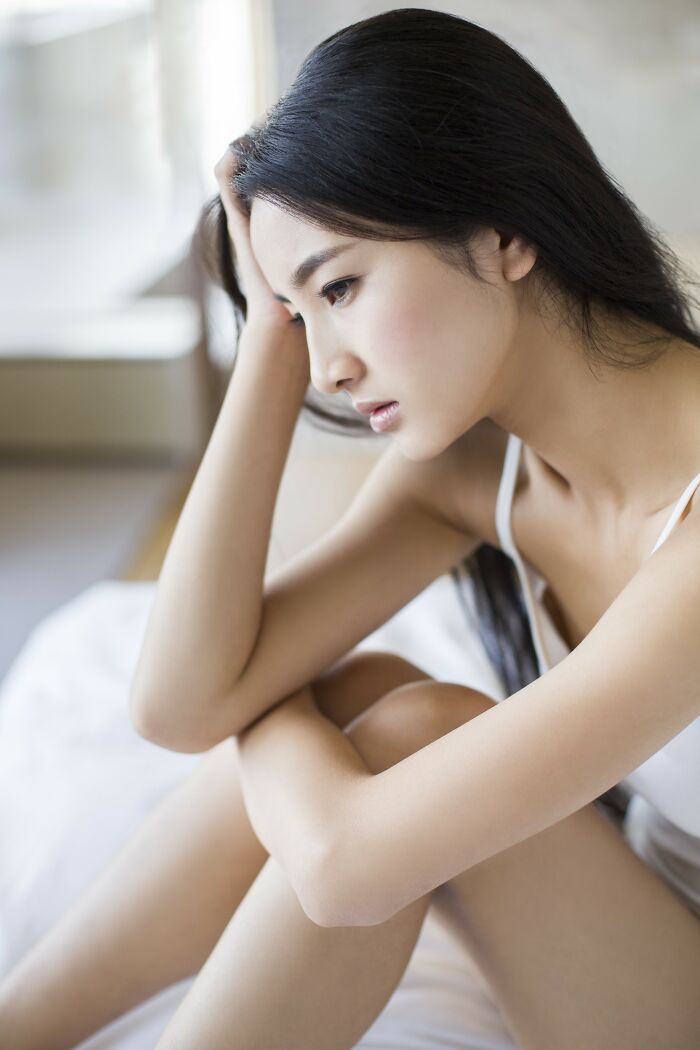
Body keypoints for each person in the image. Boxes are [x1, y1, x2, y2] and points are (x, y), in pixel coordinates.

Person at [2, 8, 699, 1049]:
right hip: (644, 902)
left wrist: (270, 714)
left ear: (505, 233)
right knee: (363, 697)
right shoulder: (473, 470)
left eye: (341, 288)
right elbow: (180, 700)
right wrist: (267, 341)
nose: (327, 367)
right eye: (299, 316)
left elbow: (341, 868)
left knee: (404, 728)